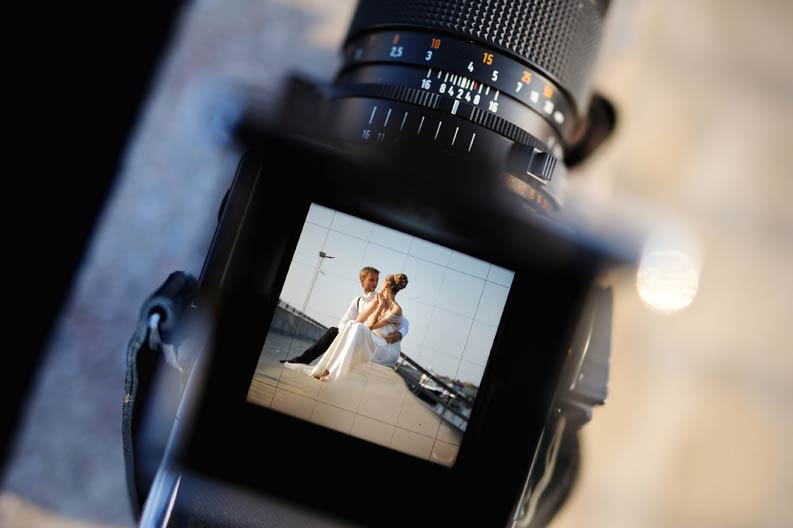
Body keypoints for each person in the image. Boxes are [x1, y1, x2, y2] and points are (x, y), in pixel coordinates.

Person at [280, 266, 408, 364]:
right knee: (334, 332)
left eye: (377, 280)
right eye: (371, 280)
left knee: (334, 333)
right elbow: (344, 321)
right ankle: (303, 360)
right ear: (362, 280)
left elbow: (403, 320)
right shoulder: (357, 301)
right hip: (358, 334)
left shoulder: (380, 298)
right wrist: (347, 333)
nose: (375, 283)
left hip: (371, 338)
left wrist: (400, 333)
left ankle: (319, 366)